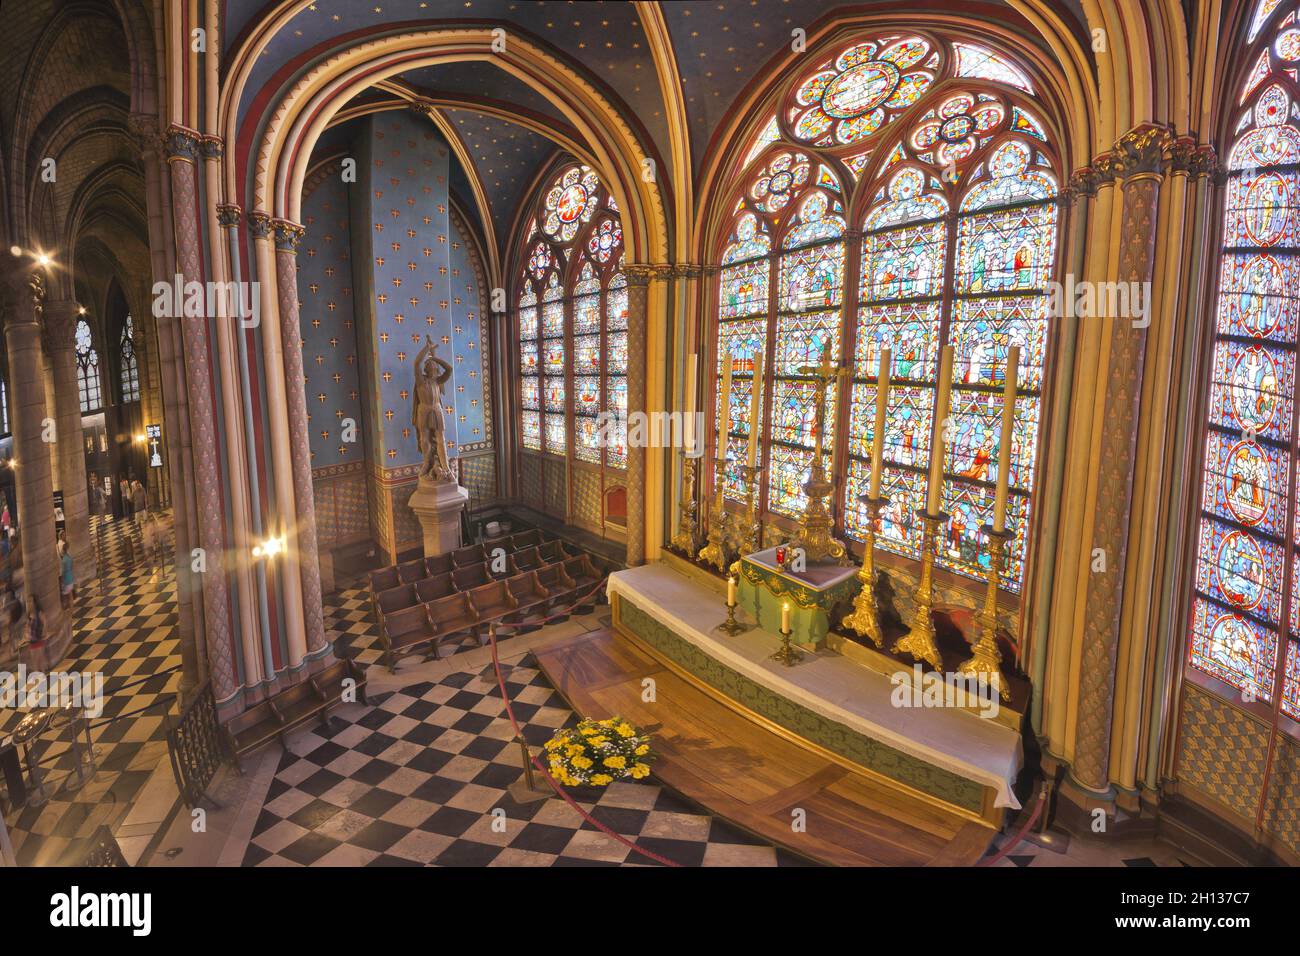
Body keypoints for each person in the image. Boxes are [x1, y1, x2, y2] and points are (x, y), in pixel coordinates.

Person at [58, 539, 74, 609]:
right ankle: (71, 607)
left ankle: (69, 609)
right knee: (70, 595)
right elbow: (72, 566)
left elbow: (63, 572)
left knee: (66, 596)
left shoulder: (64, 560)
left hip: (66, 580)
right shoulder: (69, 557)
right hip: (70, 577)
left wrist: (61, 580)